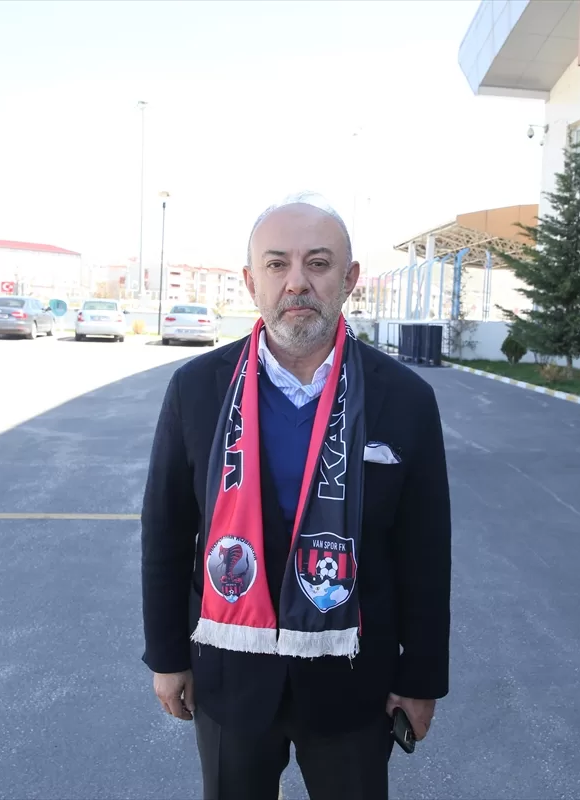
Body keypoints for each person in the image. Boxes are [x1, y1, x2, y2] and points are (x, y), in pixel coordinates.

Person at [140, 193, 452, 800]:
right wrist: (167, 656)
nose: (297, 282)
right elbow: (166, 533)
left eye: (319, 263)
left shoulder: (405, 398)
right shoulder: (197, 389)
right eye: (277, 264)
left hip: (354, 684)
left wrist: (421, 678)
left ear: (350, 278)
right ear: (250, 280)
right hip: (229, 674)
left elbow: (424, 551)